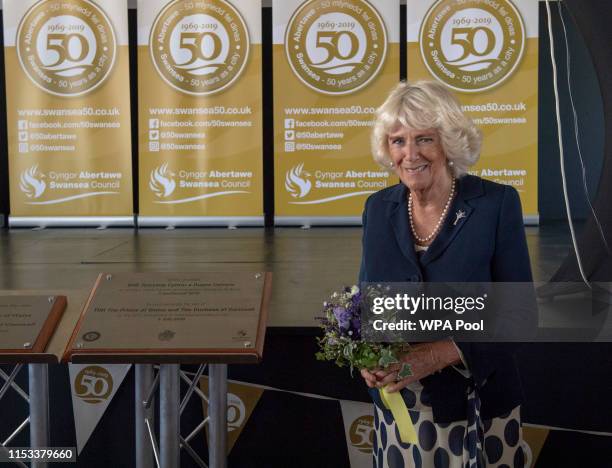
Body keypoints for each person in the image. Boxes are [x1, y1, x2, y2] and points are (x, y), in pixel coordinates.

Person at [359, 81, 532, 467]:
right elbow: (368, 305)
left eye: (424, 139)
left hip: (480, 407)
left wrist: (437, 354)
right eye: (398, 140)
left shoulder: (496, 204)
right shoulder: (376, 209)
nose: (410, 154)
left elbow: (521, 316)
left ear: (449, 143)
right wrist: (365, 354)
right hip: (400, 413)